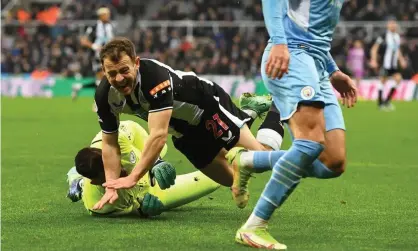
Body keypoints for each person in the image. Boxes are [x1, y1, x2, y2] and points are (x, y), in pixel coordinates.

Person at [91, 37, 284, 210]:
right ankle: (248, 113)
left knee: (261, 160)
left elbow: (158, 135)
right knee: (230, 180)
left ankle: (280, 105)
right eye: (112, 73)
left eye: (125, 70)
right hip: (184, 134)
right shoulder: (104, 96)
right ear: (104, 71)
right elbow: (110, 143)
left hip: (207, 109)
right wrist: (111, 184)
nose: (119, 79)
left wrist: (133, 177)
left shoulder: (154, 78)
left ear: (136, 63)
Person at [228, 0, 358, 249]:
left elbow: (313, 31)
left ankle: (247, 160)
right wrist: (279, 41)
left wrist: (333, 71)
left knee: (333, 161)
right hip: (293, 56)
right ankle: (254, 226)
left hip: (317, 65)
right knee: (309, 144)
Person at [66, 120, 220, 216]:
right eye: (107, 176)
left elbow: (136, 128)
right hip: (147, 191)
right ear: (96, 182)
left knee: (161, 149)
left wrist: (156, 161)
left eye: (115, 166)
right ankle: (78, 182)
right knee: (216, 180)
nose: (119, 171)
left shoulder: (117, 139)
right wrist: (144, 210)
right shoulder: (102, 206)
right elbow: (133, 208)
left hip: (137, 143)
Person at [72, 7, 114, 103]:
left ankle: (79, 87)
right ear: (101, 16)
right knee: (103, 79)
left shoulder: (109, 27)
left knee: (103, 80)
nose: (108, 16)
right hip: (97, 57)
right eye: (107, 14)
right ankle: (99, 102)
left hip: (108, 56)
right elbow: (83, 40)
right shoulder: (94, 27)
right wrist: (93, 46)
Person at [370, 19, 407, 111]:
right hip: (385, 63)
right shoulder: (383, 36)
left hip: (393, 65)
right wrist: (373, 60)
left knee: (398, 79)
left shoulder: (397, 37)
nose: (393, 26)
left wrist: (401, 60)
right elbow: (374, 48)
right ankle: (380, 103)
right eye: (391, 24)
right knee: (383, 81)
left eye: (394, 24)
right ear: (387, 26)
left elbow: (397, 50)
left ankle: (386, 101)